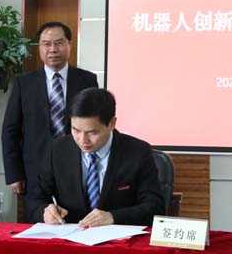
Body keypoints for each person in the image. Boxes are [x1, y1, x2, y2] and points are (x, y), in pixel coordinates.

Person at [2, 21, 98, 223]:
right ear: (39, 47)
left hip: (77, 165)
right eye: (46, 44)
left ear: (69, 44)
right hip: (34, 170)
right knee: (38, 222)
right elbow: (11, 130)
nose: (52, 49)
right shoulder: (23, 83)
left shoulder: (87, 80)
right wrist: (14, 174)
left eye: (59, 43)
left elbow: (95, 124)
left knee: (77, 222)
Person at [31, 87, 165, 227]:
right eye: (76, 130)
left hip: (117, 237)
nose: (82, 140)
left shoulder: (138, 152)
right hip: (70, 235)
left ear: (112, 123)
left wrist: (113, 217)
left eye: (92, 132)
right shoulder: (58, 150)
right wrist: (45, 211)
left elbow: (155, 207)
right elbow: (35, 198)